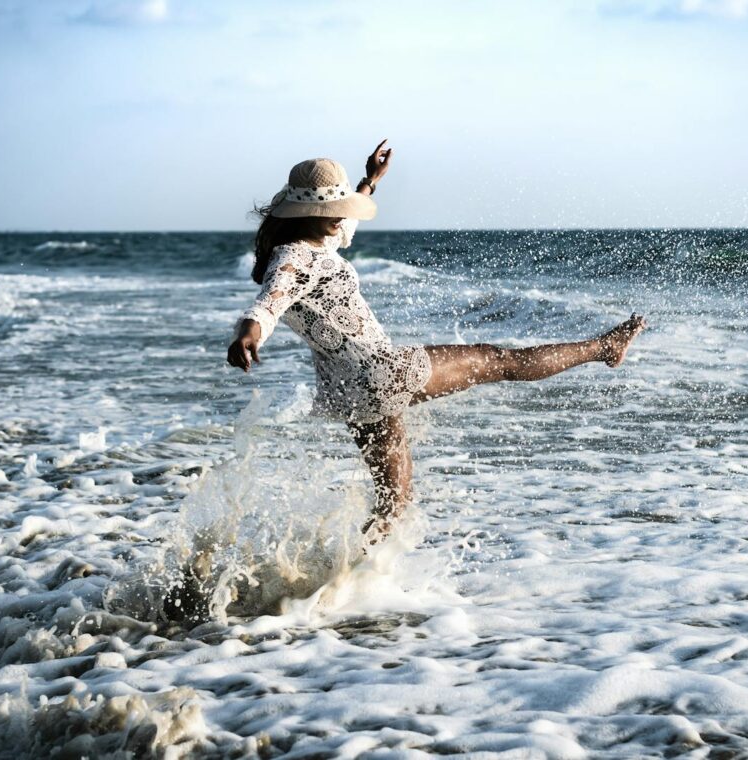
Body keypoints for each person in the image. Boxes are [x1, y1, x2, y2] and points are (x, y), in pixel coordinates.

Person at [228, 140, 646, 542]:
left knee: (393, 501)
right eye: (330, 209)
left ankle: (347, 583)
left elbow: (340, 231)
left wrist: (369, 182)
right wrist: (250, 330)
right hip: (381, 372)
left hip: (349, 388)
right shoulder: (294, 258)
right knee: (499, 360)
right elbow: (271, 300)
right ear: (305, 212)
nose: (340, 215)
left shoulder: (312, 240)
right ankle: (602, 349)